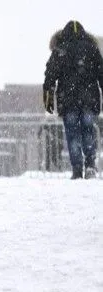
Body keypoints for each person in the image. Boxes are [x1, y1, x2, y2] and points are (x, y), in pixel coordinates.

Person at [43, 20, 103, 179]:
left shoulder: (60, 49)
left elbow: (50, 75)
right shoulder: (92, 48)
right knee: (88, 131)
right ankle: (90, 164)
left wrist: (48, 97)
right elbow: (101, 74)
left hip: (68, 100)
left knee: (72, 134)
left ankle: (77, 168)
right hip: (89, 99)